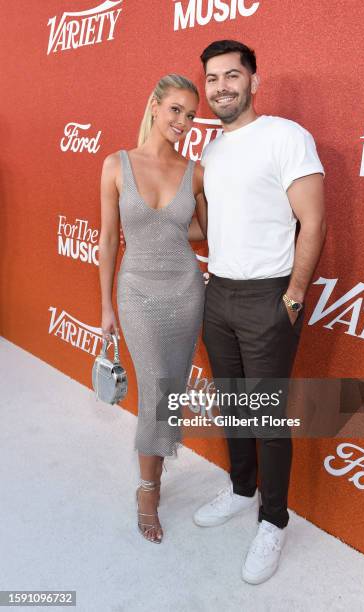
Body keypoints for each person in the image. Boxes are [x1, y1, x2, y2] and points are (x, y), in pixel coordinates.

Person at [192, 40, 326, 584]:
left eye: (232, 75)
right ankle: (242, 489)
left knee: (267, 416)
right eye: (212, 79)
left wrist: (292, 298)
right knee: (233, 402)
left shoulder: (286, 137)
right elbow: (209, 230)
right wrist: (156, 217)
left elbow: (313, 224)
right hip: (218, 292)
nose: (221, 86)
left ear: (254, 81)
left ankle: (274, 520)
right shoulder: (212, 152)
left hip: (270, 295)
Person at [98, 74, 207, 544]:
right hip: (136, 291)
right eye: (176, 110)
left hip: (185, 289)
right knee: (156, 390)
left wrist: (164, 232)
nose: (182, 121)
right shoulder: (116, 165)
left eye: (190, 114)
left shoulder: (195, 171)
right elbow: (106, 239)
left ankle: (152, 480)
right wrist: (105, 306)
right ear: (156, 106)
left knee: (170, 392)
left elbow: (204, 232)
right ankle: (148, 490)